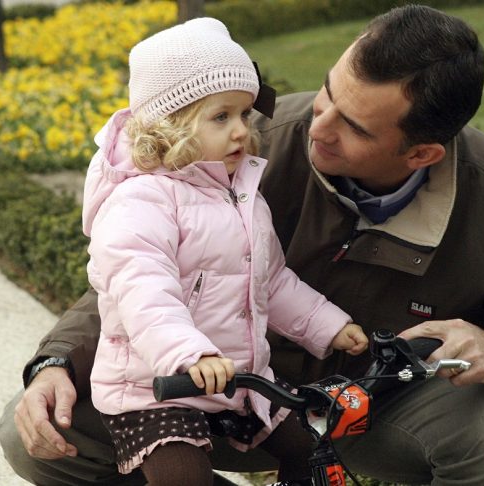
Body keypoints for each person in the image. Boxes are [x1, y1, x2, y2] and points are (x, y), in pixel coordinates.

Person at [0, 4, 484, 485]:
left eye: (352, 126)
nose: (315, 129)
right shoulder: (249, 139)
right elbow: (139, 269)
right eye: (328, 91)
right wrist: (54, 361)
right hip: (222, 390)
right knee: (32, 435)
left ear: (422, 154)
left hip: (376, 410)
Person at [72, 17, 369, 486]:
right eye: (220, 117)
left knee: (309, 448)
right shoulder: (140, 201)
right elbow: (144, 293)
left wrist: (327, 325)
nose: (240, 131)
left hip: (234, 382)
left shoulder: (240, 194)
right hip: (157, 388)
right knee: (184, 478)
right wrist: (190, 356)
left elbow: (270, 280)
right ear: (171, 126)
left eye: (245, 115)